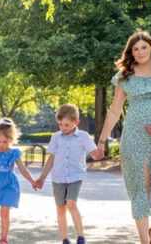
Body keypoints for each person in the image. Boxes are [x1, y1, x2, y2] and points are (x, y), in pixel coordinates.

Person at [97, 31, 151, 244]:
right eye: (135, 49)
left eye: (144, 47)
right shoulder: (125, 76)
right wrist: (101, 142)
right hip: (135, 138)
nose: (140, 52)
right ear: (131, 53)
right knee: (140, 190)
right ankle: (145, 240)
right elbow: (114, 111)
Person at [35, 104, 104, 244]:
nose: (63, 127)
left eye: (66, 124)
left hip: (75, 176)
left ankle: (81, 237)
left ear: (76, 122)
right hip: (58, 178)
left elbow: (94, 154)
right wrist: (42, 177)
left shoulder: (83, 137)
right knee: (61, 208)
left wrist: (99, 155)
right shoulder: (56, 137)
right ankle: (65, 239)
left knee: (71, 203)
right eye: (60, 124)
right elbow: (51, 159)